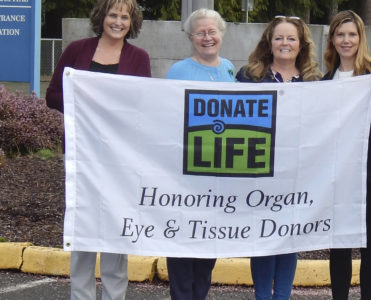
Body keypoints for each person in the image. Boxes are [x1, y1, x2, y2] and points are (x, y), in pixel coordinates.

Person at [45, 0, 150, 299]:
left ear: (132, 22)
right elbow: (53, 95)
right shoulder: (77, 50)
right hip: (81, 153)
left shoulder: (139, 57)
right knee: (83, 223)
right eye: (113, 15)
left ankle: (114, 295)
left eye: (125, 17)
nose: (118, 21)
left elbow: (144, 102)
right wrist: (87, 102)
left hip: (121, 154)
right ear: (102, 17)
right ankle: (81, 295)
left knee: (117, 224)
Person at [235, 15, 321, 300]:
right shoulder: (249, 76)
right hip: (258, 169)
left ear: (301, 44)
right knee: (262, 236)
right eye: (279, 38)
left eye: (291, 38)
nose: (285, 43)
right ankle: (262, 296)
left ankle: (282, 296)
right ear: (269, 43)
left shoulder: (315, 80)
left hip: (299, 170)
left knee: (288, 237)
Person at [322, 10, 371, 300]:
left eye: (352, 34)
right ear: (333, 39)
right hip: (336, 174)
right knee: (339, 244)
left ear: (360, 38)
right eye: (340, 34)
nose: (346, 40)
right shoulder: (325, 79)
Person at [164, 8, 235, 300]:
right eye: (200, 33)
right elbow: (166, 117)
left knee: (208, 245)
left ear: (221, 34)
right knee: (182, 242)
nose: (207, 38)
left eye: (212, 31)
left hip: (219, 175)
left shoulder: (230, 69)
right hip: (185, 174)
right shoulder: (178, 72)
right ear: (191, 38)